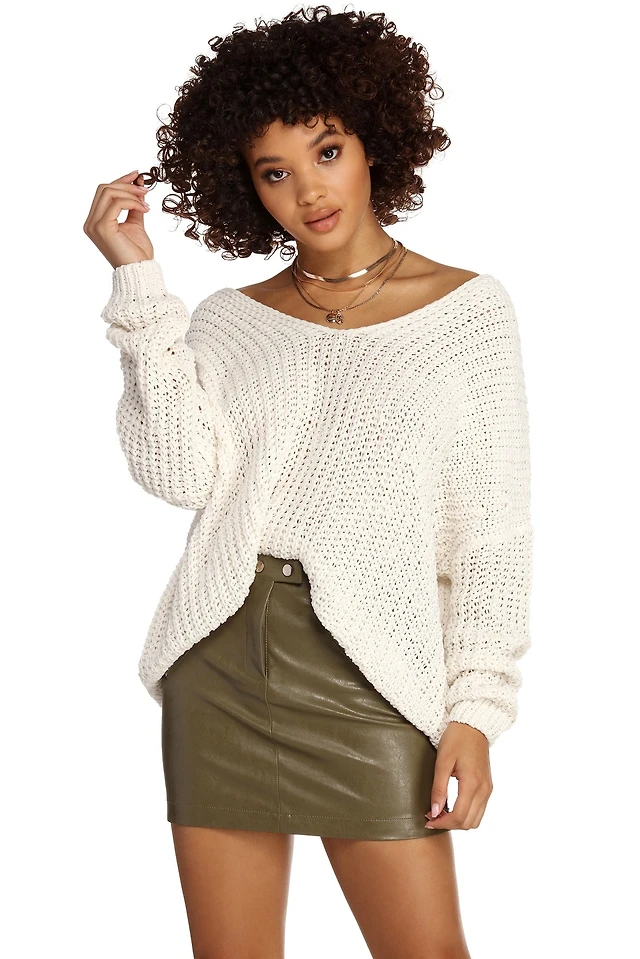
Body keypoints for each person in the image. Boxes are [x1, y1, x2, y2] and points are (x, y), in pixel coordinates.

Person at [84, 6, 533, 958]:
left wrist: (476, 709)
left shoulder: (467, 313)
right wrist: (139, 286)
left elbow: (489, 533)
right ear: (245, 186)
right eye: (274, 171)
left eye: (326, 151)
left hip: (373, 668)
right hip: (220, 659)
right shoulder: (226, 320)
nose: (309, 190)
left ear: (375, 139)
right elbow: (178, 475)